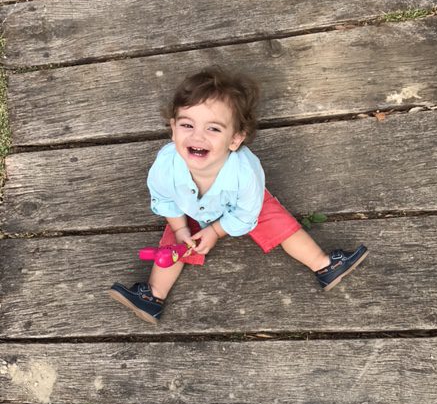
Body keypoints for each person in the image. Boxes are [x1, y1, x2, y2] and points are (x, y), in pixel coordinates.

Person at [110, 66, 368, 324]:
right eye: (187, 124)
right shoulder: (166, 164)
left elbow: (246, 212)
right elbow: (165, 199)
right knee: (172, 246)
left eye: (213, 129)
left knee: (277, 221)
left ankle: (324, 265)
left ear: (235, 140)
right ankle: (153, 296)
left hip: (241, 206)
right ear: (173, 128)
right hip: (190, 209)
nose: (197, 135)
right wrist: (180, 229)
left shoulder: (245, 173)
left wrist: (215, 231)